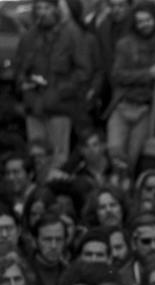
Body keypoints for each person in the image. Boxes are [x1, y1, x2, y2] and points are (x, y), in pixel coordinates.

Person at [13, 0, 92, 168]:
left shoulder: (72, 34)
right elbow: (19, 67)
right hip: (34, 106)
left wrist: (59, 91)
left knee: (58, 158)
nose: (42, 12)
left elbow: (84, 71)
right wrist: (24, 84)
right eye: (39, 8)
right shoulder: (29, 36)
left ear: (56, 9)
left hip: (59, 108)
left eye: (47, 8)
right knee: (36, 157)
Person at [106, 0, 155, 171]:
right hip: (123, 105)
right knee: (115, 152)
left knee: (132, 158)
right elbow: (117, 75)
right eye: (140, 21)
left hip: (146, 108)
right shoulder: (125, 44)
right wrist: (148, 74)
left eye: (148, 20)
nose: (144, 25)